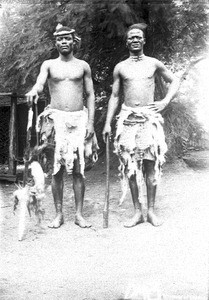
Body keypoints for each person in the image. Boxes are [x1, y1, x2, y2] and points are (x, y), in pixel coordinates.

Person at [102, 23, 179, 227]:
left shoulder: (153, 64)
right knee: (131, 166)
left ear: (144, 40)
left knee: (151, 164)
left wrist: (165, 101)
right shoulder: (121, 67)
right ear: (126, 42)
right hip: (128, 120)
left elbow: (175, 80)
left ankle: (151, 211)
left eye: (138, 37)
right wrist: (108, 123)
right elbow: (115, 96)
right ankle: (137, 212)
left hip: (148, 119)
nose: (135, 40)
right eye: (131, 38)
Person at [26, 24, 98, 228]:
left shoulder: (83, 65)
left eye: (67, 38)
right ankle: (58, 214)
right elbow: (40, 83)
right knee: (56, 170)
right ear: (56, 42)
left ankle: (78, 214)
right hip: (56, 121)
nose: (64, 42)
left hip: (78, 120)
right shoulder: (48, 65)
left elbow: (90, 94)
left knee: (78, 169)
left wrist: (91, 123)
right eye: (60, 39)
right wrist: (34, 90)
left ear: (74, 41)